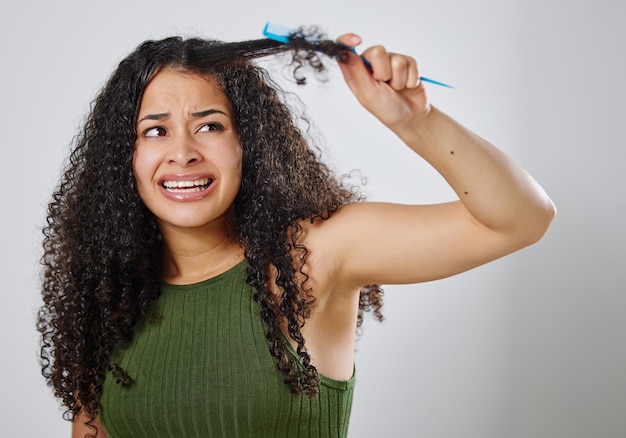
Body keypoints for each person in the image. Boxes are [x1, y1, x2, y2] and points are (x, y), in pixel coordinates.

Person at [38, 29, 555, 438]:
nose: (182, 152)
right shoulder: (111, 292)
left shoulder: (312, 257)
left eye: (210, 125)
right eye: (155, 130)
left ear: (249, 144)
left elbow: (519, 219)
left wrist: (415, 122)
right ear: (123, 159)